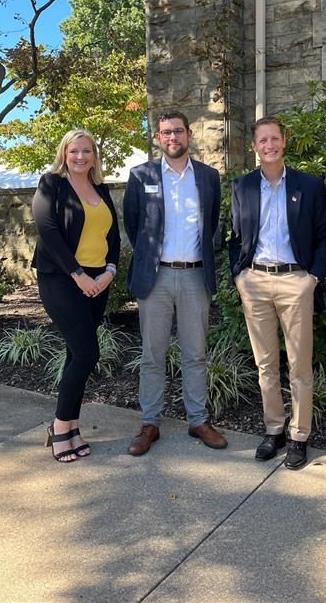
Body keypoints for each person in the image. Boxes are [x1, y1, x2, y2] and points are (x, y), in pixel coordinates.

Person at [229, 116, 326, 470]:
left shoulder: (309, 185)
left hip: (295, 282)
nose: (269, 145)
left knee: (299, 364)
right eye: (263, 140)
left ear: (284, 141)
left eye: (274, 138)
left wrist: (313, 278)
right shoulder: (242, 186)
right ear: (254, 147)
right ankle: (273, 430)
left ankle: (299, 436)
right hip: (255, 282)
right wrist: (239, 276)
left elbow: (324, 237)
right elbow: (235, 238)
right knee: (265, 364)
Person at [123, 110, 227, 455]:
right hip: (156, 277)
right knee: (153, 354)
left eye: (178, 131)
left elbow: (212, 223)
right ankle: (150, 422)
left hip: (196, 275)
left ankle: (198, 420)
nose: (173, 138)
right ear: (158, 137)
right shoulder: (141, 175)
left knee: (195, 353)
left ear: (189, 135)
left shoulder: (208, 177)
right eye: (166, 132)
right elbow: (133, 224)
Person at [32, 129, 121, 463]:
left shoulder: (102, 189)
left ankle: (72, 426)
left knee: (76, 355)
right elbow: (48, 232)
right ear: (64, 154)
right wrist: (78, 275)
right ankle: (59, 426)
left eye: (87, 151)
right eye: (74, 151)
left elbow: (113, 237)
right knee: (87, 353)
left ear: (95, 155)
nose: (80, 157)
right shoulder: (51, 184)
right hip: (62, 279)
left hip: (98, 282)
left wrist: (109, 271)